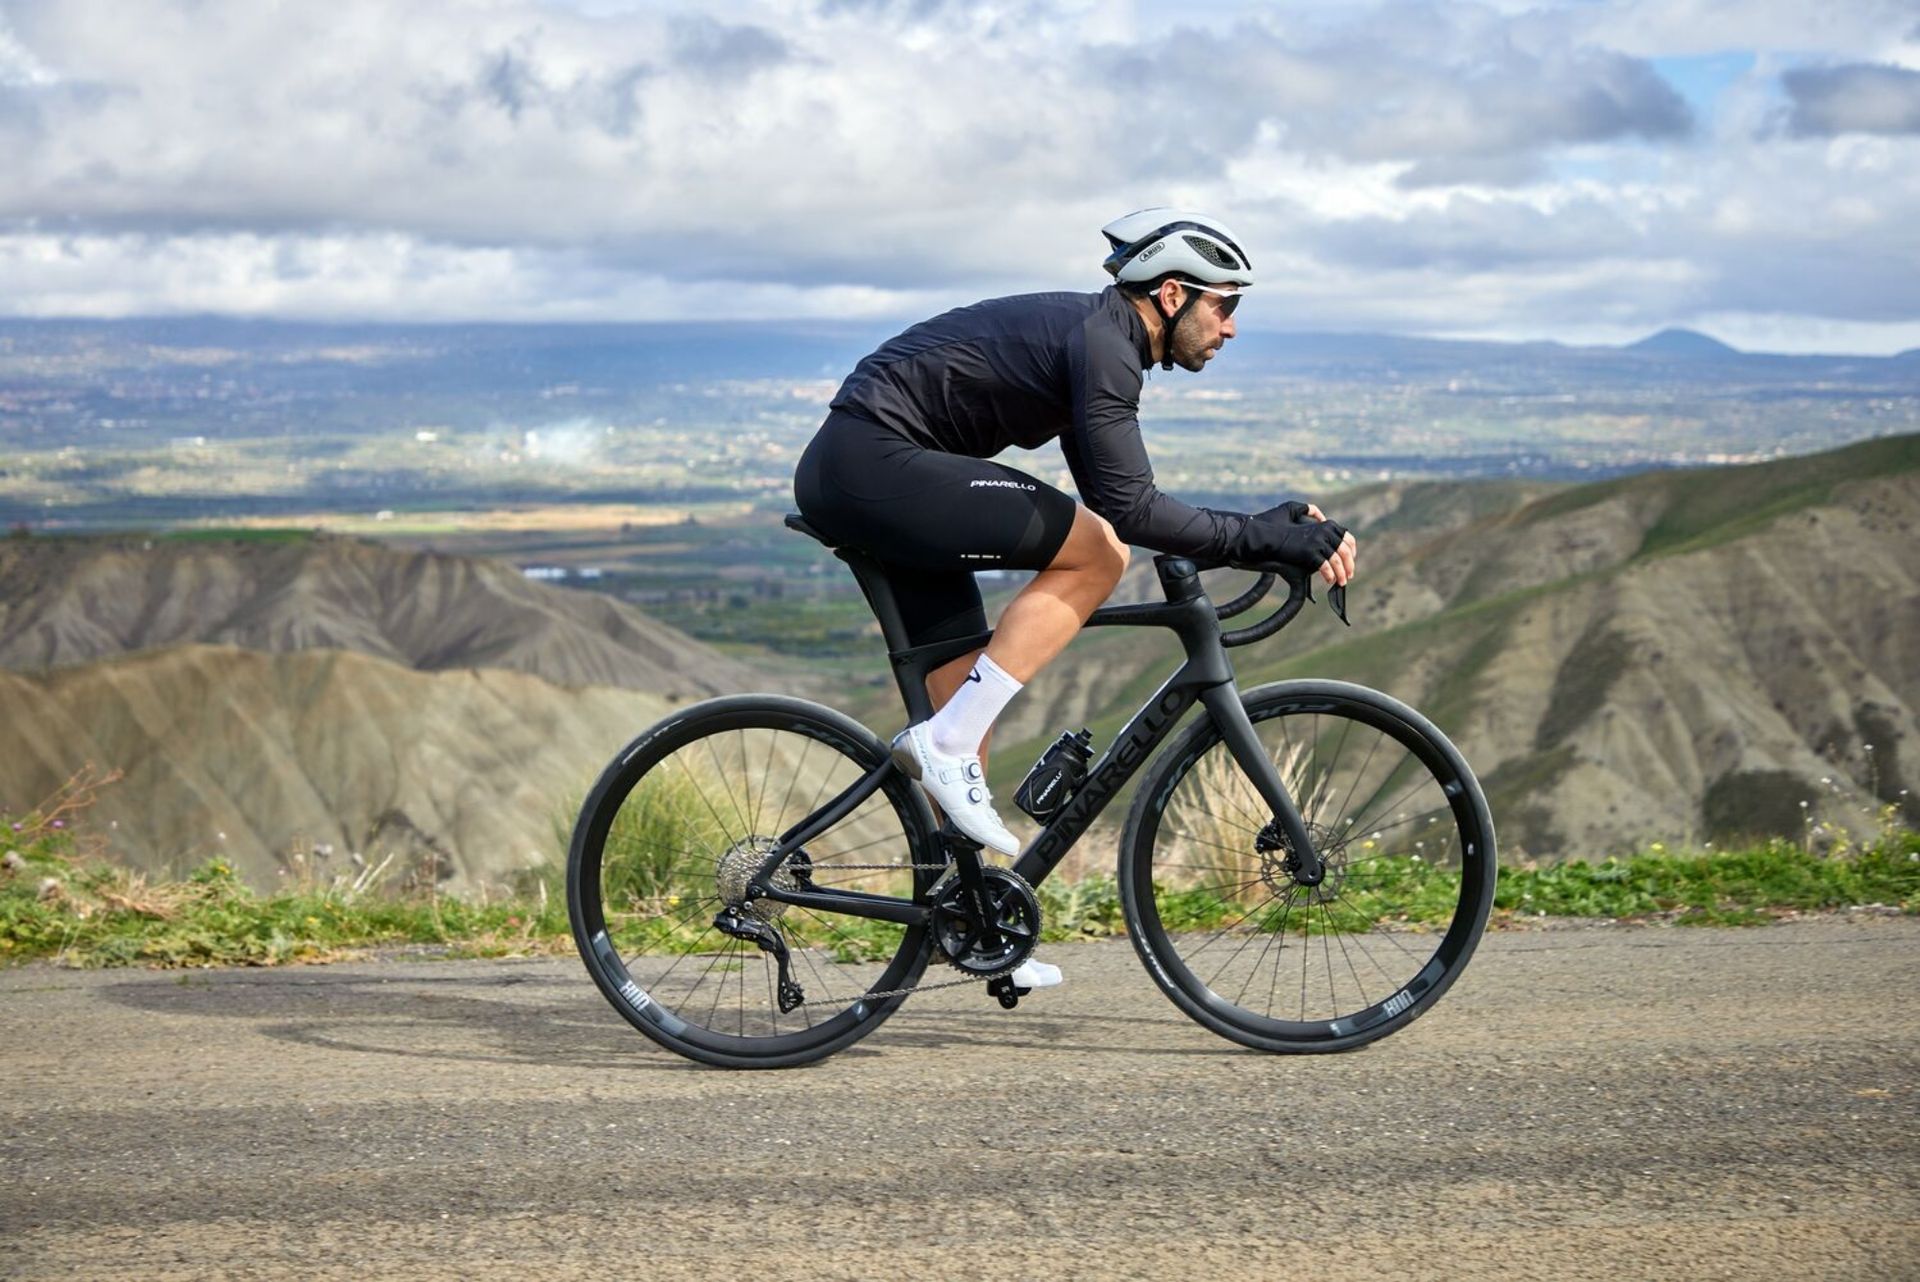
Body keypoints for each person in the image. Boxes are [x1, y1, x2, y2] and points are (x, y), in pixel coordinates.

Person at [793, 209, 1358, 989]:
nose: (1230, 328)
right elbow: (1129, 514)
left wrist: (1265, 529)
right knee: (1096, 553)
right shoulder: (1103, 345)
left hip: (875, 472)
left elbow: (1119, 494)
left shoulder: (1095, 342)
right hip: (874, 466)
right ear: (1171, 295)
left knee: (962, 697)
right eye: (1224, 306)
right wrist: (1262, 539)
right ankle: (946, 748)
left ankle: (973, 921)